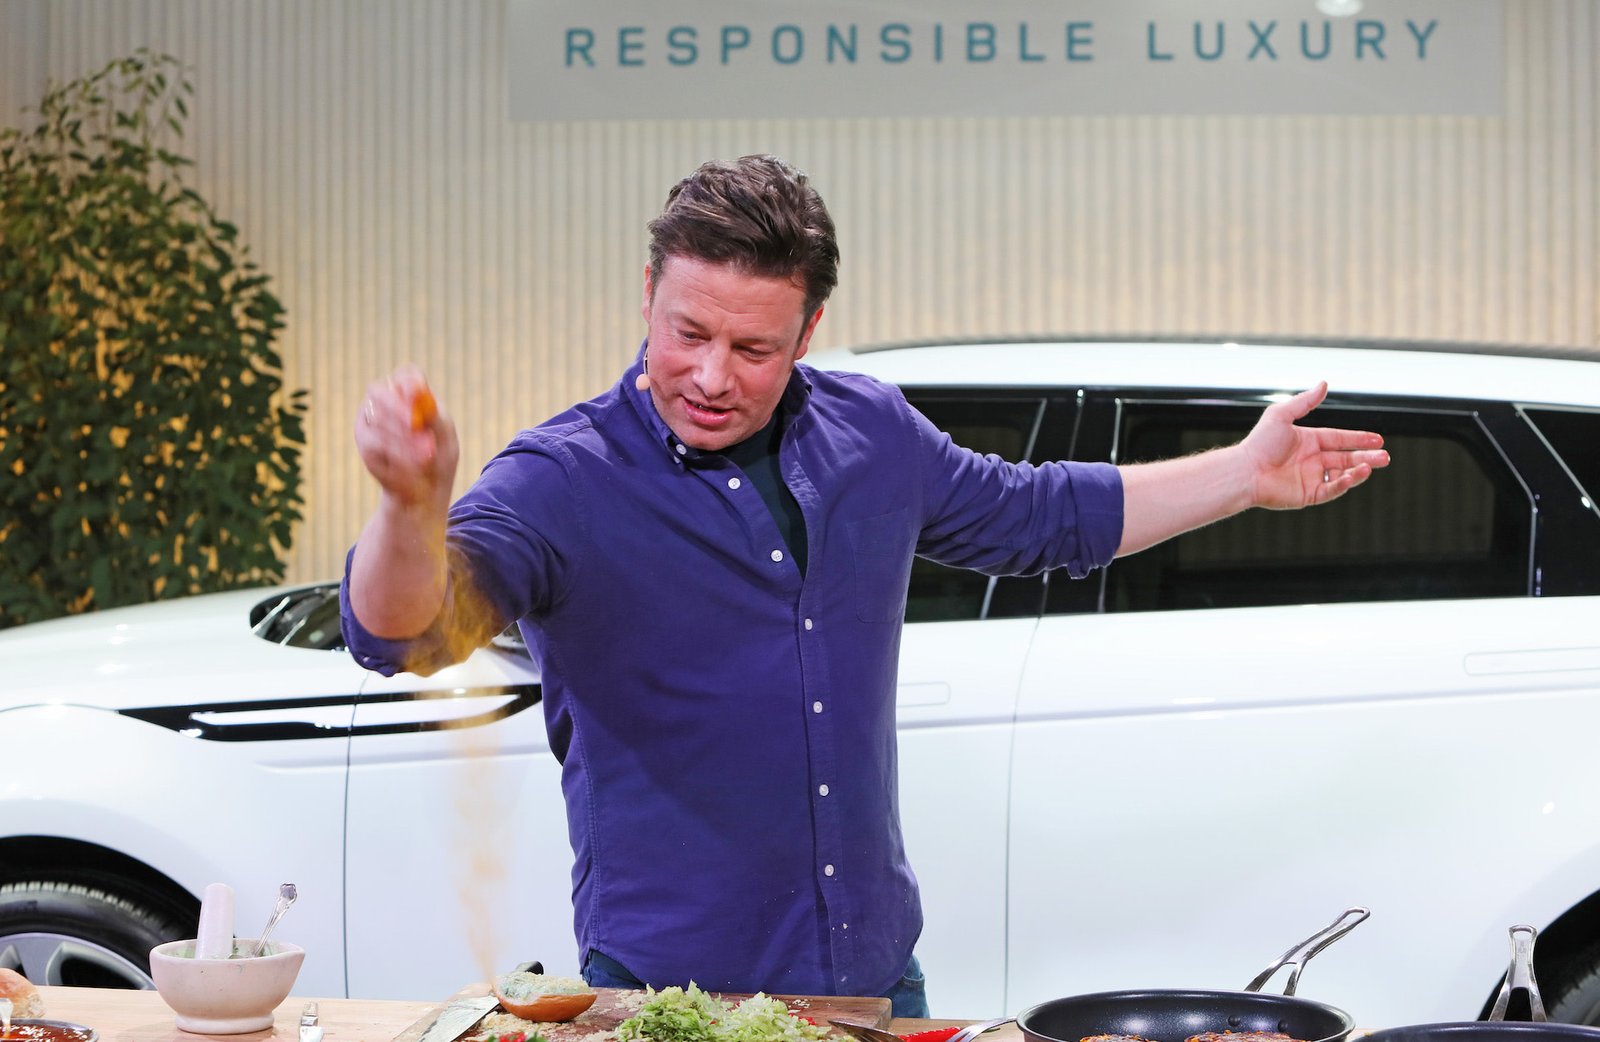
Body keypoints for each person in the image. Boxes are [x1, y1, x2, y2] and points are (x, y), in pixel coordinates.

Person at [341, 154, 1389, 1017]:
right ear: (647, 295)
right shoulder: (562, 479)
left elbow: (1041, 514)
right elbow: (401, 633)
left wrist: (1242, 475)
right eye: (688, 333)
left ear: (808, 332)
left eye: (754, 347)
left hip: (875, 981)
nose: (711, 376)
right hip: (673, 1000)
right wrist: (408, 508)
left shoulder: (871, 432)